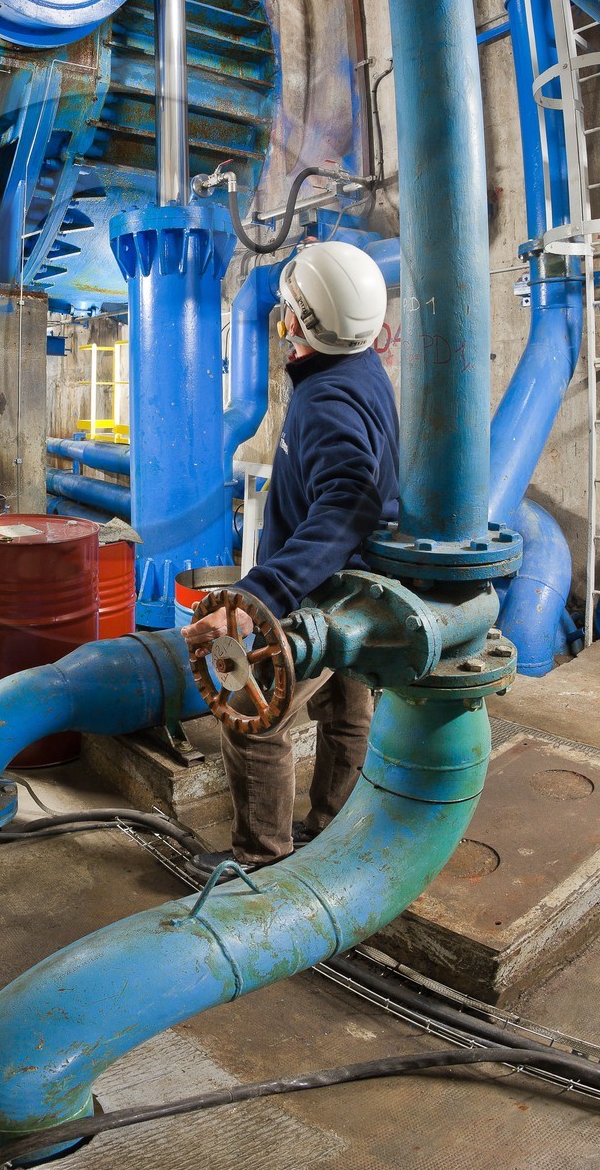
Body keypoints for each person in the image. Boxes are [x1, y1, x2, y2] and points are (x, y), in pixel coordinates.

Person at [183, 242, 398, 870]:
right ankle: (331, 832)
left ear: (294, 322)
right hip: (359, 585)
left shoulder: (326, 398)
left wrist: (258, 597)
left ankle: (261, 860)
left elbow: (346, 504)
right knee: (347, 708)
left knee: (252, 714)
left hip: (318, 591)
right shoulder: (361, 369)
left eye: (285, 307)